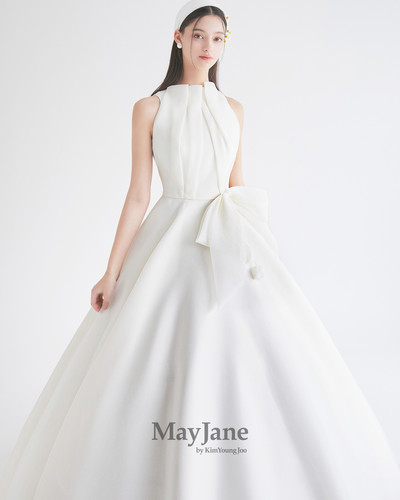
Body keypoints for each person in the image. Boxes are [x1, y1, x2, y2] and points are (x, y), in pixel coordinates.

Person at [1, 1, 400, 499]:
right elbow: (139, 195)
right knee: (154, 342)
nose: (208, 46)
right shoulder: (150, 108)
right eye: (198, 35)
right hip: (168, 234)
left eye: (217, 38)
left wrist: (261, 249)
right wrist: (111, 272)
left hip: (227, 232)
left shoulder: (234, 109)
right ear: (178, 38)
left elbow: (236, 184)